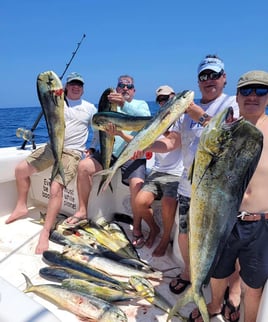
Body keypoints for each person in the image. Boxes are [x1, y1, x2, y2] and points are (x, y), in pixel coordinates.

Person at [132, 55, 241, 311]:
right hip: (187, 187)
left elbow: (231, 137)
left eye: (214, 75)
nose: (209, 80)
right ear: (198, 81)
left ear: (224, 78)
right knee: (184, 234)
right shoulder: (185, 114)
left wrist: (195, 112)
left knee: (223, 240)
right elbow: (171, 143)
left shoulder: (232, 104)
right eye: (204, 76)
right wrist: (143, 145)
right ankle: (189, 274)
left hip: (218, 190)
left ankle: (227, 288)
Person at [189, 70, 268, 322]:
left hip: (260, 222)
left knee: (253, 285)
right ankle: (213, 305)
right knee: (217, 270)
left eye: (261, 91)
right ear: (237, 95)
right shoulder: (226, 129)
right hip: (223, 219)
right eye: (246, 90)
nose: (253, 96)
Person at [5, 72, 98, 255]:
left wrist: (93, 148)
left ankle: (45, 231)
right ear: (65, 87)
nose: (76, 87)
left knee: (56, 188)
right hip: (52, 147)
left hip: (72, 152)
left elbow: (97, 132)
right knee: (20, 170)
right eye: (72, 84)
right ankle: (21, 206)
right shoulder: (56, 101)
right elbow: (44, 90)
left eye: (79, 84)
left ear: (83, 88)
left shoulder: (89, 108)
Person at [65, 75, 151, 238]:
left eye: (129, 86)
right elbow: (99, 129)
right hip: (108, 152)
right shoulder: (109, 105)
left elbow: (143, 122)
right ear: (117, 88)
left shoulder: (140, 105)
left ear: (134, 90)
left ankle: (137, 226)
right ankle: (82, 210)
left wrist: (123, 105)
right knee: (83, 167)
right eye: (121, 85)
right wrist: (92, 147)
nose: (125, 88)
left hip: (132, 154)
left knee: (136, 185)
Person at [131, 85, 184, 256]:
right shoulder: (155, 122)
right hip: (157, 172)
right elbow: (143, 143)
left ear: (174, 98)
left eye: (167, 98)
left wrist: (144, 145)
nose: (164, 102)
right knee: (139, 202)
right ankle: (154, 229)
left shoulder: (183, 120)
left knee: (169, 203)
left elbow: (170, 145)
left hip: (177, 174)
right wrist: (122, 134)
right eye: (161, 100)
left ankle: (165, 238)